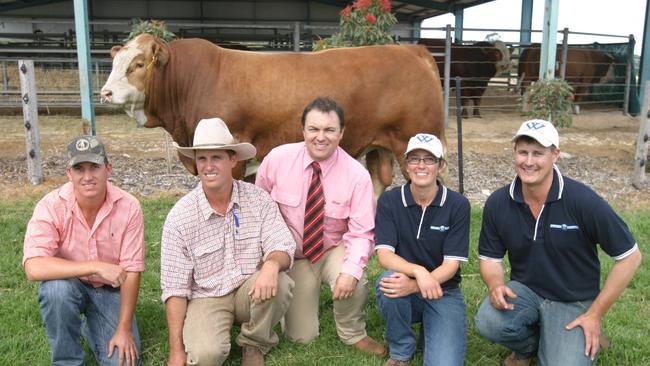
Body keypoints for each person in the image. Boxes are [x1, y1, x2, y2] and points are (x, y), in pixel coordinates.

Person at [475, 119, 642, 366]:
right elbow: (489, 259)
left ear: (555, 155)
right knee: (489, 321)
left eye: (538, 153)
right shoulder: (499, 202)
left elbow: (630, 257)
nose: (529, 161)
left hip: (573, 299)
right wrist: (495, 284)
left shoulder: (582, 201)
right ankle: (528, 347)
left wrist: (595, 314)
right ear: (514, 153)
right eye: (523, 152)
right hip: (527, 291)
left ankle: (570, 334)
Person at [255, 96, 385, 356]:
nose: (320, 137)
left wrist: (350, 271)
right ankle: (294, 306)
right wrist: (269, 259)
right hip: (291, 254)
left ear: (341, 133)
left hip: (332, 248)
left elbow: (361, 232)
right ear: (303, 130)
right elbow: (259, 211)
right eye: (313, 129)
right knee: (301, 337)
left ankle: (352, 332)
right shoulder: (276, 160)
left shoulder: (357, 176)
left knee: (354, 277)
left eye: (329, 130)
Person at [161, 117, 295, 366]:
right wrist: (176, 351)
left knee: (282, 281)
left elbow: (283, 245)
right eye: (202, 158)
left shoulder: (258, 199)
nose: (208, 166)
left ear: (233, 159)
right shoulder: (180, 217)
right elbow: (175, 289)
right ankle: (211, 337)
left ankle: (254, 343)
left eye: (216, 158)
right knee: (205, 356)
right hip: (207, 297)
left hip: (249, 289)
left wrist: (271, 265)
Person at [23, 135, 144, 366]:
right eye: (79, 169)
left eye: (94, 167)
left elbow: (132, 270)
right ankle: (67, 360)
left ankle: (93, 327)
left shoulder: (129, 207)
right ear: (69, 174)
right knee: (55, 291)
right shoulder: (50, 206)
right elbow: (33, 266)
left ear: (108, 169)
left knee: (125, 363)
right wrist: (95, 266)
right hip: (69, 284)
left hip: (111, 291)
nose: (87, 177)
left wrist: (124, 328)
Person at [374, 133, 470, 366]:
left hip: (443, 291)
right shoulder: (390, 200)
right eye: (414, 159)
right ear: (406, 165)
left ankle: (434, 325)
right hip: (403, 285)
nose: (421, 166)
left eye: (429, 159)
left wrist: (418, 284)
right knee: (389, 282)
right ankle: (401, 348)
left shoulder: (457, 204)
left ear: (440, 165)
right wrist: (418, 271)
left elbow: (451, 264)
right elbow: (384, 255)